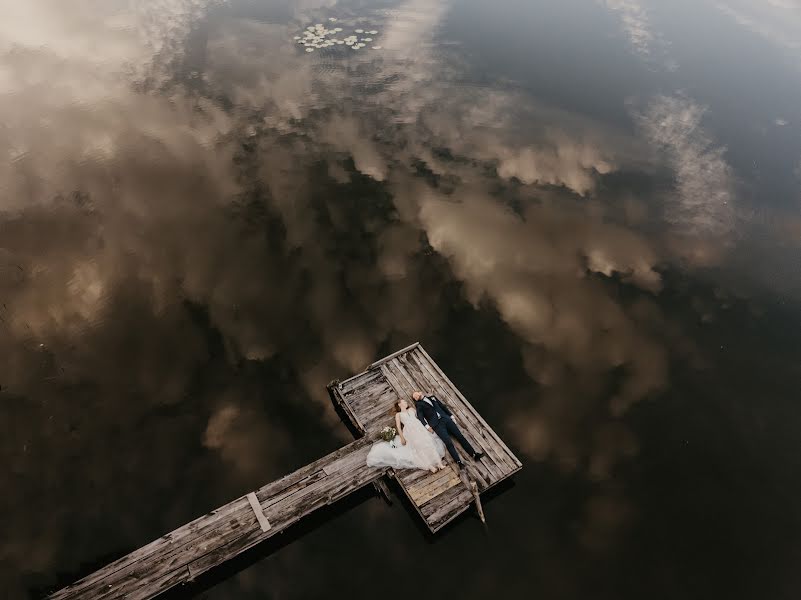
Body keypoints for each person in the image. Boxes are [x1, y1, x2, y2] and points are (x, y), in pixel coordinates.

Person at [366, 398, 447, 473]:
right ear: (399, 404)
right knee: (419, 448)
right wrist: (402, 438)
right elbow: (398, 426)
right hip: (410, 431)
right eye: (404, 401)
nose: (406, 402)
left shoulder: (412, 409)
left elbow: (421, 418)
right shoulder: (398, 414)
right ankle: (430, 466)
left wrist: (427, 426)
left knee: (429, 444)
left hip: (419, 428)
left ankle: (439, 463)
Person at [413, 390, 484, 469]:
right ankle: (459, 462)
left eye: (416, 394)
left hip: (446, 419)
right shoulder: (418, 404)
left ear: (420, 392)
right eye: (414, 397)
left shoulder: (432, 397)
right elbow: (420, 417)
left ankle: (474, 454)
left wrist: (451, 416)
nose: (416, 397)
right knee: (448, 443)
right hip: (437, 425)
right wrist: (427, 427)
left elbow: (443, 407)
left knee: (460, 436)